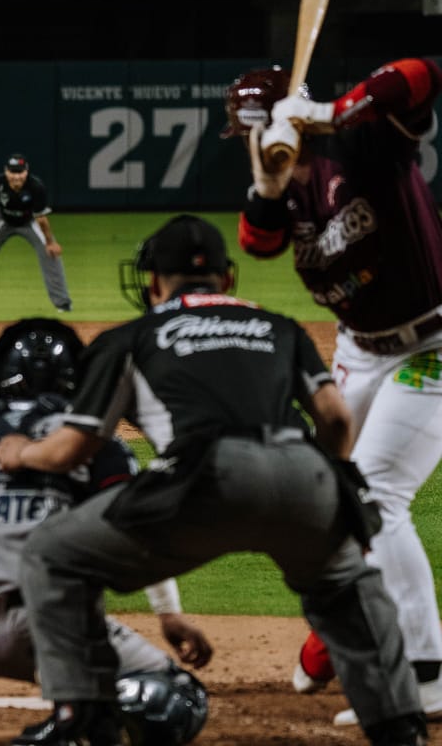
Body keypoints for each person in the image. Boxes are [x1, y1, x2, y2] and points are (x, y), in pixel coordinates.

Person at [0, 214, 427, 746]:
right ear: (227, 279)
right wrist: (315, 483)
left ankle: (81, 716)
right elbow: (335, 419)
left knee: (51, 556)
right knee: (345, 586)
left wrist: (21, 453)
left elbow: (72, 449)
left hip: (201, 481)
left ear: (153, 282)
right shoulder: (278, 326)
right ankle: (400, 726)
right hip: (301, 469)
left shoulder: (132, 337)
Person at [0, 317, 212, 746]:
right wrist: (168, 614)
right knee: (181, 699)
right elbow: (138, 526)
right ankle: (86, 714)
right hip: (46, 635)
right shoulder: (89, 438)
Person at [225, 56, 442, 728]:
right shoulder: (284, 183)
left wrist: (331, 114)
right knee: (328, 497)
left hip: (432, 343)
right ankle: (341, 629)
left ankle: (428, 675)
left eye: (245, 135)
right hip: (360, 349)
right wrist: (266, 183)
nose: (244, 147)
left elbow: (424, 73)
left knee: (378, 492)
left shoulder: (365, 142)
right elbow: (257, 245)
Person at [0, 154, 73, 315]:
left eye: (20, 172)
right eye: (12, 172)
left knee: (51, 253)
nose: (16, 176)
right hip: (4, 220)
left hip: (29, 221)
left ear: (26, 172)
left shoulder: (35, 186)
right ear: (6, 172)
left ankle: (63, 302)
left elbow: (42, 219)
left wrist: (50, 242)